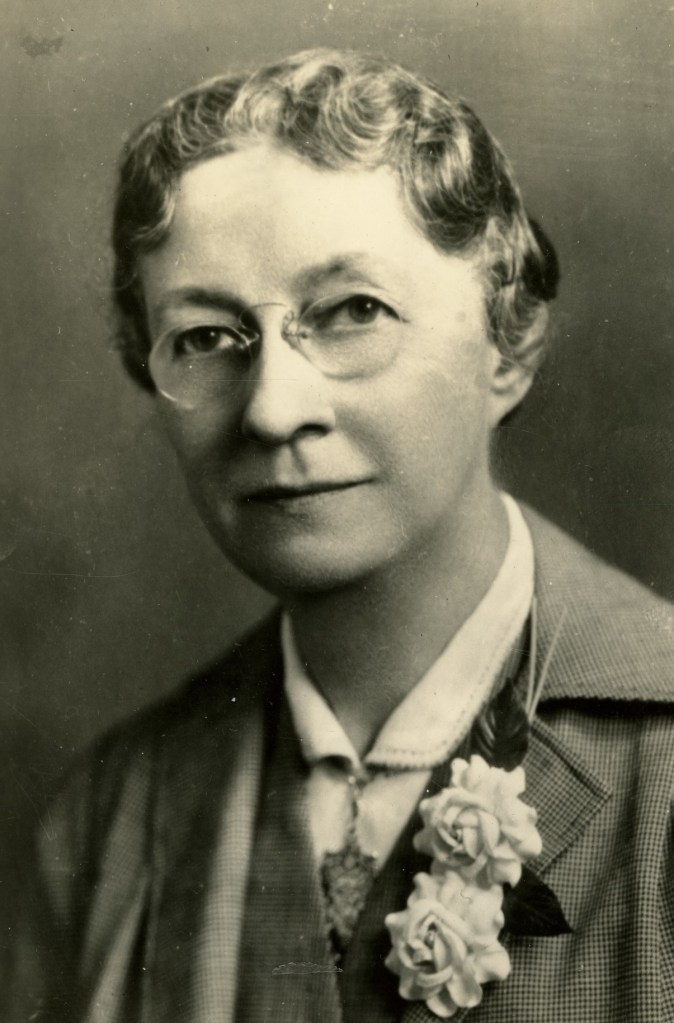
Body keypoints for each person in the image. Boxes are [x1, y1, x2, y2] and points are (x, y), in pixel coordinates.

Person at [8, 48, 674, 1023]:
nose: (272, 410)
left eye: (354, 311)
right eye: (205, 336)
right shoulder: (104, 826)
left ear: (505, 344)